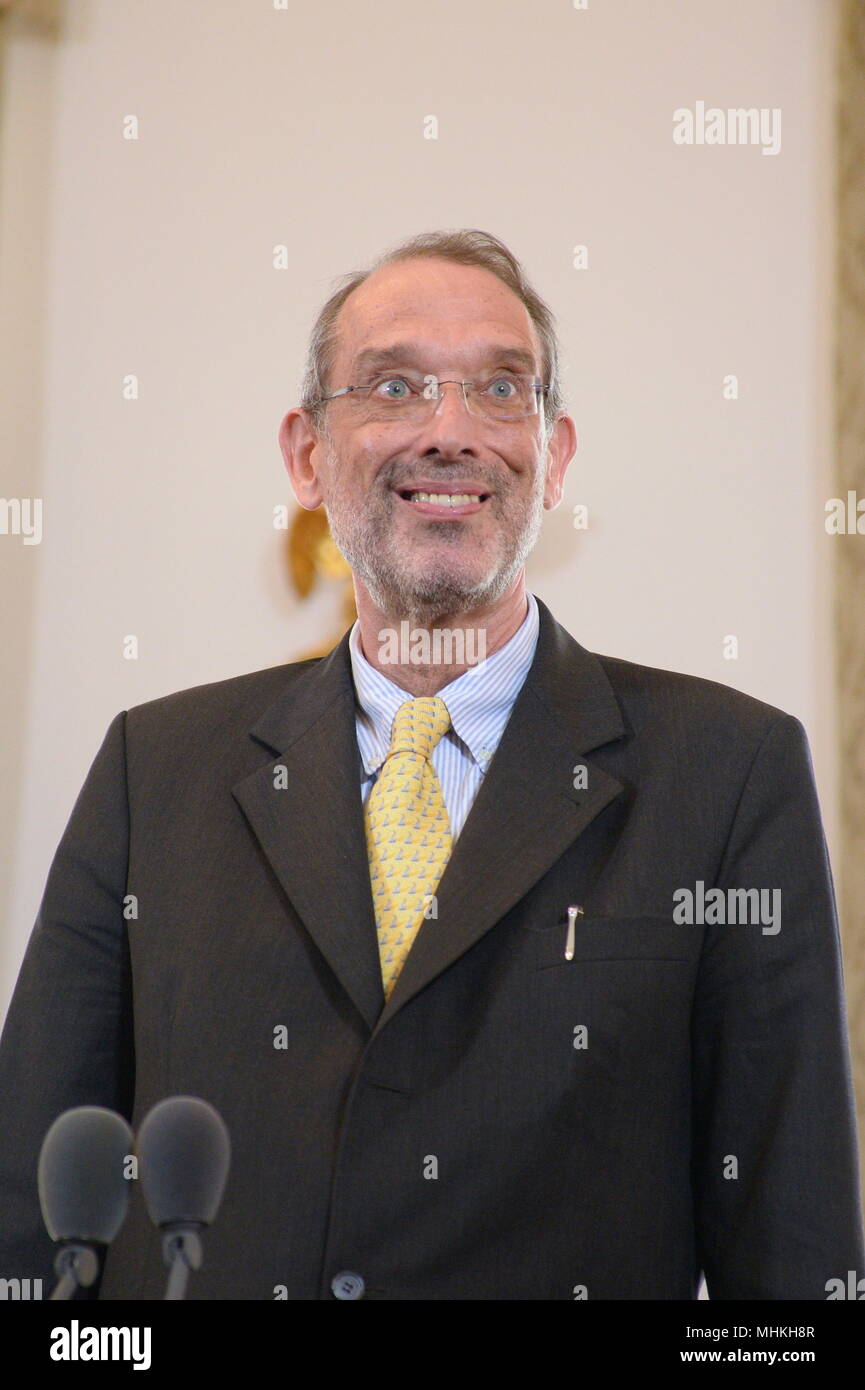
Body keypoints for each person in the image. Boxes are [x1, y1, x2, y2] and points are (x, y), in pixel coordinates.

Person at [0, 228, 862, 1300]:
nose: (450, 431)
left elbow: (791, 1252)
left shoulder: (730, 773)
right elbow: (31, 1217)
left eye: (502, 389)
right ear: (307, 453)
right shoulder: (152, 768)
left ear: (553, 455)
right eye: (396, 385)